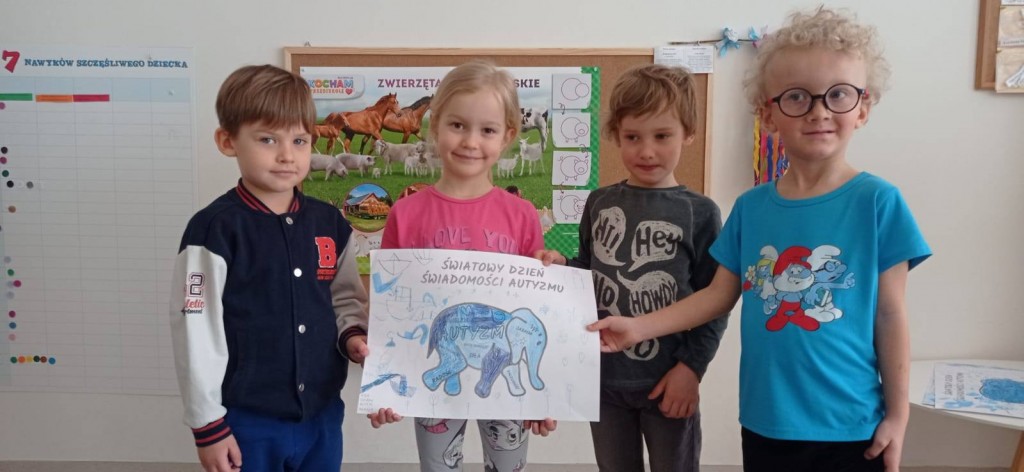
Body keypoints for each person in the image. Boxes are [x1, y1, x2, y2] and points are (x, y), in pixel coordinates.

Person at [587, 7, 932, 472]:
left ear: (863, 108)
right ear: (768, 114)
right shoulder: (751, 208)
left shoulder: (878, 202)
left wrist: (898, 414)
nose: (819, 111)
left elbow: (891, 315)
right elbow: (716, 297)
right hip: (766, 421)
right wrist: (638, 327)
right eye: (797, 97)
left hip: (853, 424)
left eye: (838, 94)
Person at [169, 64, 369, 472]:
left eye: (299, 140)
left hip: (322, 416)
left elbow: (345, 298)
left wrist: (353, 335)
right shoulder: (214, 230)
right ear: (228, 141)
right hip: (246, 422)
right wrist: (208, 425)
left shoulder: (329, 223)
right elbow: (195, 329)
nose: (286, 155)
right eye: (267, 139)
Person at [535, 64, 728, 472]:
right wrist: (561, 266)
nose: (646, 151)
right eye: (632, 137)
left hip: (668, 381)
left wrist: (691, 369)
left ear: (688, 133)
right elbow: (589, 271)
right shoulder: (599, 202)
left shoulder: (700, 213)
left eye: (662, 136)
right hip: (602, 381)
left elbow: (715, 302)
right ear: (616, 135)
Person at [365, 60, 556, 472]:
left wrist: (543, 395)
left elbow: (533, 311)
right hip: (440, 366)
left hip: (504, 373)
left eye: (487, 130)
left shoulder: (523, 215)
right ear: (434, 126)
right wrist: (383, 384)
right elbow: (389, 308)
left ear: (508, 136)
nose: (471, 141)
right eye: (457, 125)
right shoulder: (405, 213)